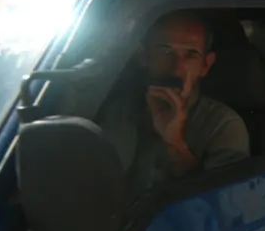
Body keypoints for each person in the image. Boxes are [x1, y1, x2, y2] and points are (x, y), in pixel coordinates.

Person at [98, 11, 250, 199]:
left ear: (205, 66)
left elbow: (223, 205)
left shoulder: (224, 126)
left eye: (191, 55)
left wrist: (175, 143)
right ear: (143, 56)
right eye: (165, 51)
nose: (176, 68)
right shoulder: (115, 110)